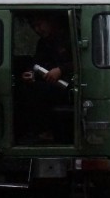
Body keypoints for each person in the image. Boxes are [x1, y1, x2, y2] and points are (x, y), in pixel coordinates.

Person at [19, 12, 73, 142]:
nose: (37, 30)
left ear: (50, 21)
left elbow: (84, 61)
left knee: (38, 93)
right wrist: (30, 74)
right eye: (34, 27)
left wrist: (61, 70)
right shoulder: (43, 43)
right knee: (23, 90)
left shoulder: (71, 38)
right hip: (48, 83)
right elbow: (36, 63)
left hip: (70, 85)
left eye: (39, 25)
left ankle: (46, 132)